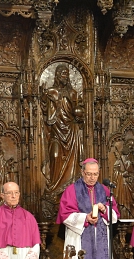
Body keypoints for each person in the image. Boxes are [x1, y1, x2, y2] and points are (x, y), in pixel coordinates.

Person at [40, 64, 84, 195]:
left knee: (73, 163)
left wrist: (79, 112)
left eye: (66, 73)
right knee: (54, 156)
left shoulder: (73, 93)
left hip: (71, 132)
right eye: (62, 73)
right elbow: (43, 109)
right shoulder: (51, 92)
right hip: (56, 132)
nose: (65, 76)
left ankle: (69, 191)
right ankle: (54, 188)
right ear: (57, 75)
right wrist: (42, 96)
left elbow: (81, 111)